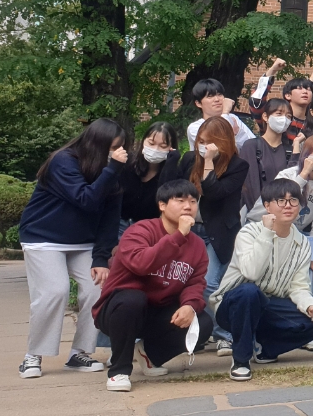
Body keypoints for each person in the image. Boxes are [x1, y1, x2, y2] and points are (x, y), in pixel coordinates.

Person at [17, 118, 128, 379]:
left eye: (119, 148)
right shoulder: (63, 161)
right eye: (112, 148)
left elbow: (110, 219)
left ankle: (80, 353)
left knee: (98, 288)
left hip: (83, 241)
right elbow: (85, 199)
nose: (116, 153)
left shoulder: (111, 172)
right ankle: (33, 354)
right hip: (43, 238)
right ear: (96, 144)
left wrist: (100, 258)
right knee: (55, 291)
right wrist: (112, 169)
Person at [92, 180, 213, 392]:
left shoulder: (197, 245)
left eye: (193, 201)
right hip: (119, 310)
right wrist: (178, 236)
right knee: (133, 299)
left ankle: (149, 354)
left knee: (202, 321)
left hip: (157, 312)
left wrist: (190, 305)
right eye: (180, 200)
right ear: (162, 205)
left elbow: (195, 282)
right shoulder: (140, 231)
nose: (188, 206)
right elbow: (141, 264)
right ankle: (119, 371)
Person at [208, 180, 313, 380]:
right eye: (281, 200)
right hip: (233, 305)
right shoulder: (249, 233)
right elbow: (252, 273)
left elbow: (298, 287)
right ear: (267, 206)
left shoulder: (302, 243)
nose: (288, 206)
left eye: (293, 200)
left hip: (270, 305)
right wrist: (266, 233)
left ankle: (266, 347)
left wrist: (310, 306)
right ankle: (241, 360)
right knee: (249, 292)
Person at [177, 117, 250, 357]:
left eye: (210, 142)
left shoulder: (238, 165)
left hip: (219, 232)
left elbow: (215, 192)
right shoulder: (190, 160)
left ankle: (223, 334)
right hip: (190, 230)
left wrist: (208, 162)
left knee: (209, 283)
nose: (204, 147)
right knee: (186, 283)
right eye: (201, 141)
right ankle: (198, 332)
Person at [274, 134, 313, 251]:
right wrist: (304, 174)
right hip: (275, 231)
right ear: (306, 154)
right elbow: (281, 202)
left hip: (299, 234)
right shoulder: (287, 175)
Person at [239, 98, 295, 218]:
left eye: (288, 116)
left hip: (283, 214)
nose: (284, 119)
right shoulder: (252, 146)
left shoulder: (290, 150)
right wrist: (263, 212)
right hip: (256, 215)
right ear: (265, 116)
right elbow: (250, 185)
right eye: (279, 114)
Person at [119, 122, 182, 227]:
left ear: (171, 148)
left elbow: (166, 198)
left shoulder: (174, 172)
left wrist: (171, 164)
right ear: (143, 141)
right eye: (151, 143)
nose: (155, 149)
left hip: (148, 227)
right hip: (120, 222)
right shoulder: (128, 162)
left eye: (163, 146)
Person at [248, 58, 313, 143]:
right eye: (299, 88)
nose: (305, 91)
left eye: (308, 89)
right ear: (288, 95)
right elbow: (256, 101)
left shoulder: (312, 122)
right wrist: (272, 70)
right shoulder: (276, 118)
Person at [186, 78, 257, 150]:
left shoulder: (233, 118)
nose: (217, 99)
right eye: (210, 96)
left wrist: (238, 134)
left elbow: (253, 145)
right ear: (198, 103)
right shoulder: (195, 127)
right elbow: (219, 149)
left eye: (219, 95)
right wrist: (225, 113)